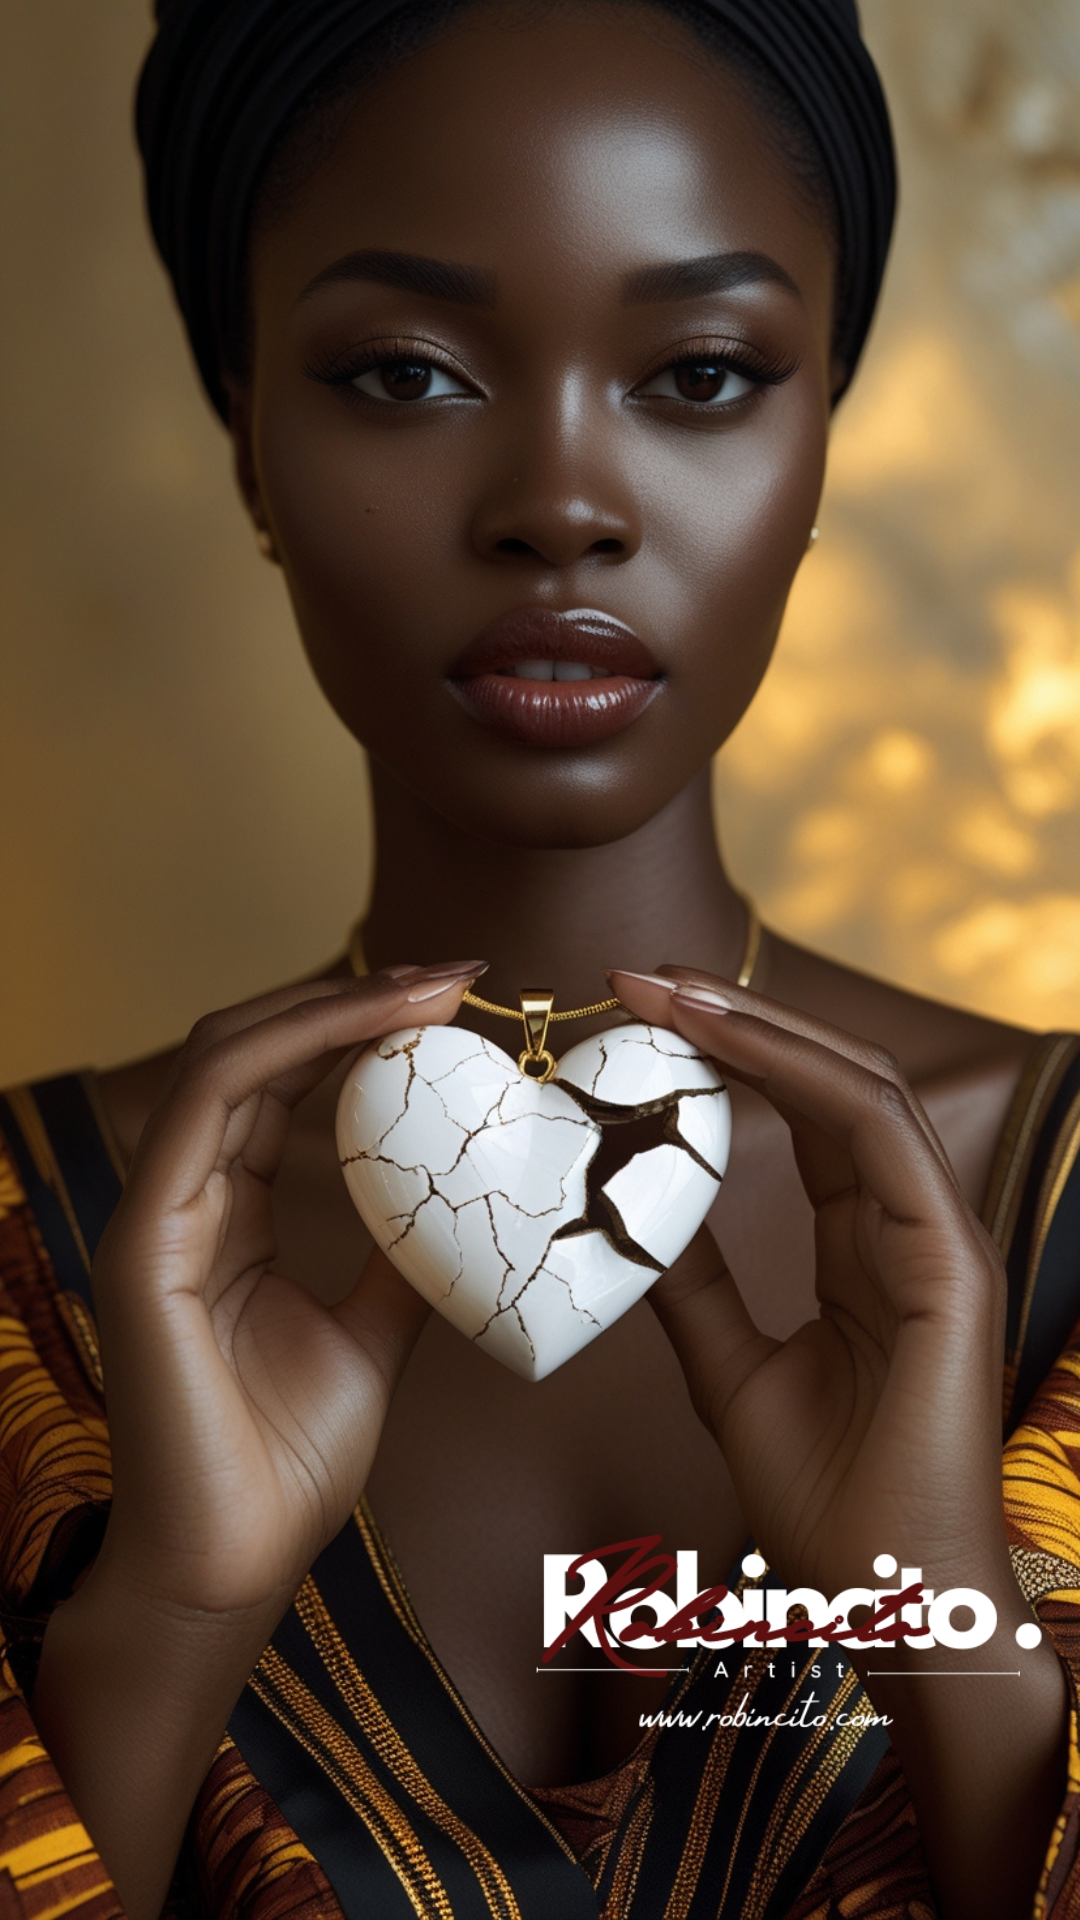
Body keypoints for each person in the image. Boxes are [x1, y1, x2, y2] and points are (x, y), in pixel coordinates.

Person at [1, 0, 1079, 1915]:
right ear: (245, 434)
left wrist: (944, 1622)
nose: (561, 505)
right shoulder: (29, 1256)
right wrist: (165, 1615)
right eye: (406, 374)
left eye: (702, 372)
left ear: (825, 428)